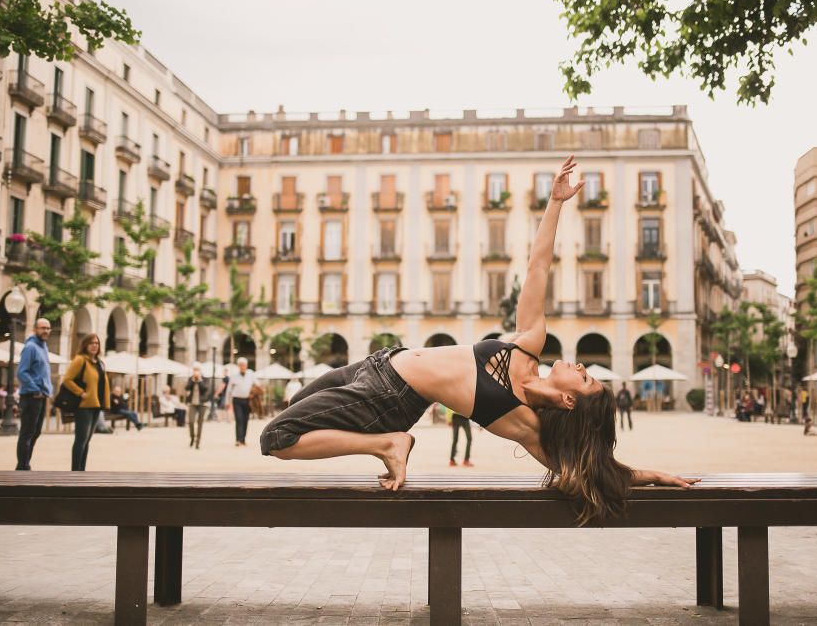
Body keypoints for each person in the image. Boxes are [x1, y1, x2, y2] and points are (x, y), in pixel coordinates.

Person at [261, 156, 696, 525]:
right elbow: (538, 268)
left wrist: (652, 475)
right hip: (376, 363)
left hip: (389, 395)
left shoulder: (524, 424)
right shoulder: (529, 342)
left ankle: (387, 443)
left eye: (585, 381)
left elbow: (593, 471)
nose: (581, 368)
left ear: (568, 402)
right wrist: (554, 204)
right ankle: (385, 441)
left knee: (278, 439)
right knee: (294, 406)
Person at [61, 333, 110, 471]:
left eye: (97, 343)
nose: (95, 345)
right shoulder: (80, 360)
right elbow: (67, 379)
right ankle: (75, 471)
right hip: (83, 406)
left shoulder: (99, 363)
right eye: (91, 343)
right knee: (81, 440)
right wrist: (81, 393)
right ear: (85, 345)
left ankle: (82, 470)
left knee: (87, 440)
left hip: (96, 405)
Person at [15, 318, 53, 471]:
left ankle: (25, 464)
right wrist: (35, 389)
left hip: (41, 396)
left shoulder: (43, 347)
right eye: (43, 328)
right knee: (27, 433)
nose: (46, 331)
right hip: (31, 397)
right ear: (35, 329)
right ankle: (22, 467)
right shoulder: (30, 347)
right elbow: (22, 372)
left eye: (48, 328)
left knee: (36, 432)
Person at [229, 358, 256, 446]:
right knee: (239, 419)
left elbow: (256, 384)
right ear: (238, 366)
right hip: (236, 400)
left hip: (247, 400)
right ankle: (238, 440)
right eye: (240, 365)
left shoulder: (251, 373)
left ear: (246, 365)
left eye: (244, 365)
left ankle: (243, 439)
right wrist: (227, 401)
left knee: (245, 420)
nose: (242, 367)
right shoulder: (234, 375)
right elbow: (229, 389)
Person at [184, 364, 211, 449]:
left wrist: (199, 380)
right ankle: (192, 437)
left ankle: (198, 442)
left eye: (197, 370)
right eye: (194, 370)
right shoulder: (190, 379)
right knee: (191, 421)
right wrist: (193, 380)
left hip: (202, 403)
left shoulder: (205, 379)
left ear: (200, 371)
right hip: (192, 403)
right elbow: (187, 388)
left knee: (200, 423)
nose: (196, 371)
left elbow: (205, 389)